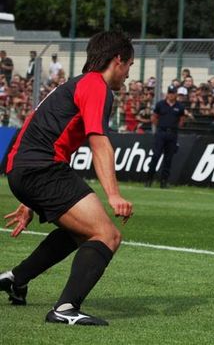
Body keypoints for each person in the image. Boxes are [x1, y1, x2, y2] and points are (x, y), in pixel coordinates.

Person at [0, 31, 134, 326]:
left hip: (23, 167)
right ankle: (65, 308)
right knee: (107, 235)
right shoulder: (96, 86)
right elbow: (99, 143)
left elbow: (43, 131)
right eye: (129, 66)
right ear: (118, 60)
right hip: (41, 168)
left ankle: (16, 279)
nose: (127, 74)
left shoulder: (76, 84)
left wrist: (29, 198)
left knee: (80, 231)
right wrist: (113, 195)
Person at [145, 85, 185, 188]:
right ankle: (149, 179)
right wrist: (160, 126)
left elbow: (181, 120)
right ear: (167, 94)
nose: (171, 95)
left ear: (176, 94)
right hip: (161, 133)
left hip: (172, 134)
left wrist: (174, 127)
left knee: (168, 158)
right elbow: (154, 118)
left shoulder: (180, 106)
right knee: (156, 155)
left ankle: (164, 181)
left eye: (173, 93)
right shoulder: (160, 104)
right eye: (170, 93)